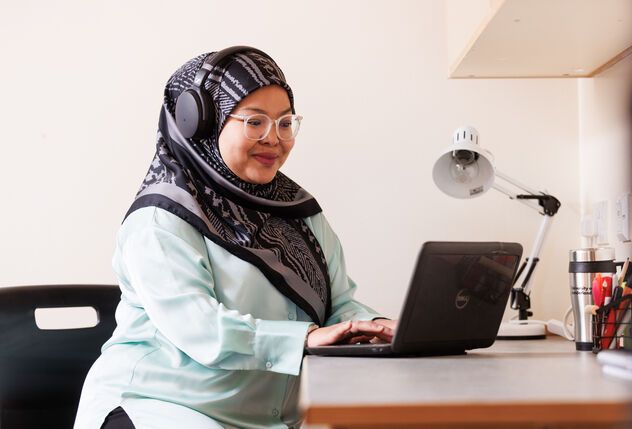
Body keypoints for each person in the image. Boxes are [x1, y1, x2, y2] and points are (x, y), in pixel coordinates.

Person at [73, 46, 396, 429]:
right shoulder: (160, 219)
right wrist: (305, 338)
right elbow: (201, 328)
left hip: (263, 419)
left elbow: (339, 305)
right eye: (255, 122)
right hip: (159, 408)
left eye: (285, 122)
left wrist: (376, 326)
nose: (274, 139)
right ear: (201, 124)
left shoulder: (299, 212)